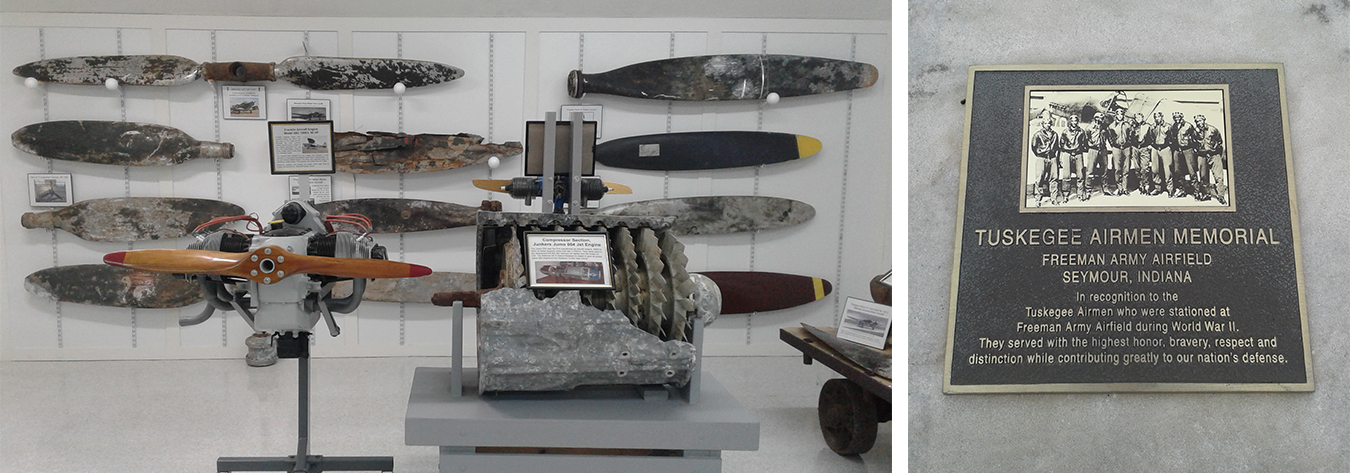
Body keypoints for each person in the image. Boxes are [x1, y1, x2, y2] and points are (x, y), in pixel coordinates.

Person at [1193, 114, 1226, 204]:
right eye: (1197, 122)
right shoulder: (1195, 132)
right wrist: (1198, 151)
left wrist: (1214, 151)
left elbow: (1219, 141)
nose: (1199, 123)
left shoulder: (1212, 129)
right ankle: (1206, 194)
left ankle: (1221, 196)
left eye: (1200, 120)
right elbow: (1194, 143)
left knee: (1218, 176)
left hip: (1213, 155)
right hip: (1202, 155)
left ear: (1204, 120)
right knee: (1203, 177)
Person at [1029, 116, 1060, 206]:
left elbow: (1057, 148)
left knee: (1054, 178)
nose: (1048, 125)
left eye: (1049, 123)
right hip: (1041, 158)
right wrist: (1041, 154)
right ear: (1042, 124)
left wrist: (1056, 159)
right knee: (1039, 178)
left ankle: (1053, 198)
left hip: (1052, 158)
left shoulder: (1055, 134)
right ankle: (1038, 199)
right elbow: (1034, 147)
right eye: (1046, 123)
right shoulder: (1038, 134)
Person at [1059, 116, 1089, 203]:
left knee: (1080, 175)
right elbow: (1061, 145)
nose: (1074, 123)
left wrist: (1078, 149)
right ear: (1070, 122)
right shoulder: (1065, 131)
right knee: (1066, 176)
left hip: (1078, 154)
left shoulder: (1081, 131)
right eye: (1072, 121)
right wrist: (1061, 156)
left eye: (1076, 121)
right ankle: (1065, 195)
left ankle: (1080, 194)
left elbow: (1084, 143)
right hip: (1067, 154)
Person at [1169, 111, 1199, 198]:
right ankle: (1182, 189)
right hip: (1177, 151)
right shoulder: (1173, 127)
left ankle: (1196, 190)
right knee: (1178, 171)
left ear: (1182, 117)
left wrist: (1194, 149)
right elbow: (1172, 138)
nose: (1177, 119)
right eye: (1175, 117)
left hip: (1188, 150)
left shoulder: (1188, 126)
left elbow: (1194, 138)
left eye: (1178, 117)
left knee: (1192, 171)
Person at [1142, 111, 1172, 196]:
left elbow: (1172, 138)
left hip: (1165, 148)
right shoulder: (1152, 127)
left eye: (1159, 117)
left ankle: (1170, 189)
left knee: (1167, 170)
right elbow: (1150, 137)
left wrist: (1168, 146)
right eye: (1155, 117)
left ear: (1162, 117)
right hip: (1155, 149)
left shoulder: (1168, 126)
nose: (1157, 118)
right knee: (1155, 170)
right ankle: (1157, 188)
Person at [1107, 109, 1130, 195]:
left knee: (1126, 169)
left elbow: (1130, 135)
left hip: (1126, 148)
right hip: (1116, 148)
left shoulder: (1127, 125)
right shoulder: (1111, 126)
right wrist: (1114, 145)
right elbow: (1110, 137)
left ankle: (1125, 188)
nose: (1120, 116)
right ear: (1116, 115)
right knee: (1117, 169)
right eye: (1118, 114)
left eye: (1121, 114)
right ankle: (1119, 187)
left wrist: (1127, 144)